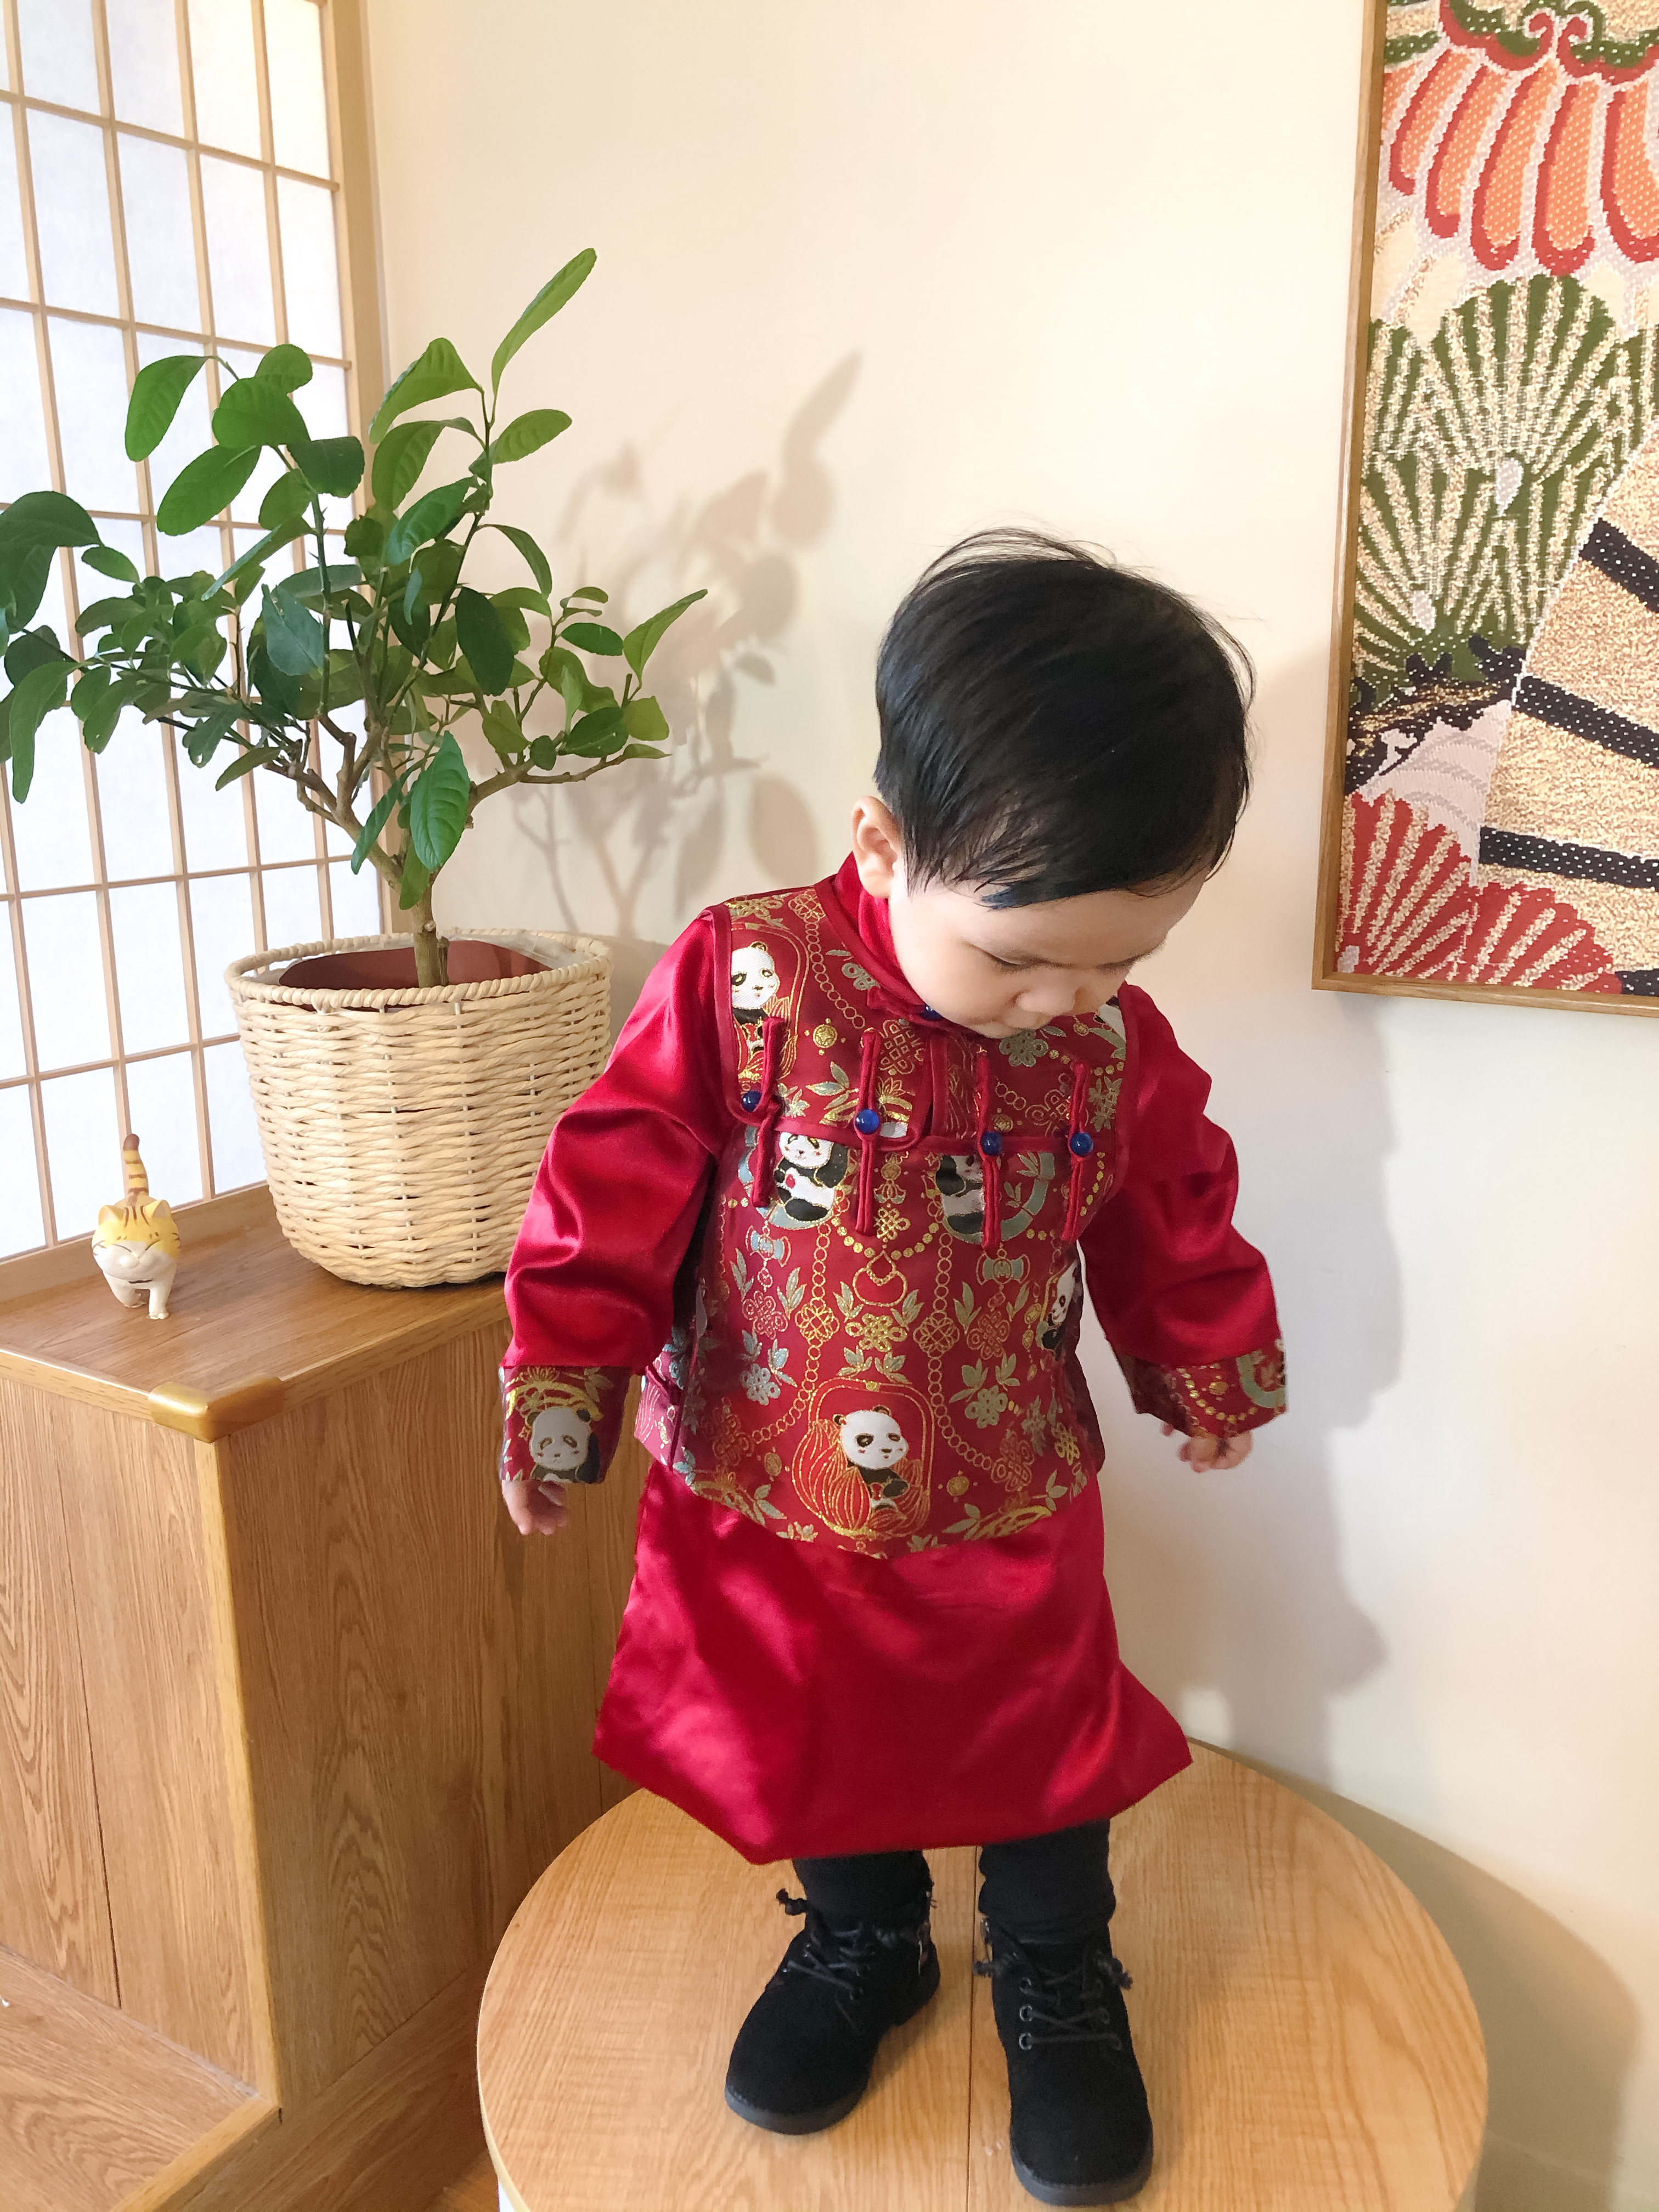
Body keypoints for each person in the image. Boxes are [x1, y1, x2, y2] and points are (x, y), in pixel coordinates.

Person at [498, 529, 1285, 2205]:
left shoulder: (1105, 1045)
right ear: (881, 842)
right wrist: (566, 1373)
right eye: (1020, 956)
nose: (1067, 998)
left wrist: (1204, 1358)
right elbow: (617, 1175)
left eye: (1118, 961)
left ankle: (1054, 1967)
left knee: (1046, 1735)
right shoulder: (746, 977)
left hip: (1006, 1478)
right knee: (818, 1725)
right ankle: (868, 1941)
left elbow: (1166, 1204)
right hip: (767, 1474)